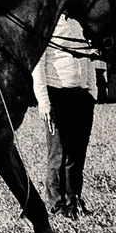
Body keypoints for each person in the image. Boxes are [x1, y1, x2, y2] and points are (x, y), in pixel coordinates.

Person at [35, 14, 99, 211]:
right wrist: (44, 102)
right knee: (59, 153)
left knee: (77, 151)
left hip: (82, 96)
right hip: (57, 95)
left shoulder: (79, 24)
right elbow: (38, 66)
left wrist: (92, 92)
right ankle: (57, 203)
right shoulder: (46, 25)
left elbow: (88, 59)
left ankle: (74, 200)